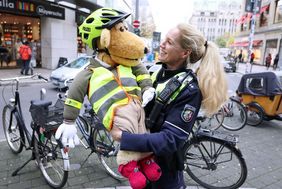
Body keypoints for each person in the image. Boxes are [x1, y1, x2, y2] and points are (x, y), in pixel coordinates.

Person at [110, 23, 228, 188]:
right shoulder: (155, 71)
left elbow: (171, 139)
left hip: (164, 173)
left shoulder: (190, 89)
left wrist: (125, 137)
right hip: (141, 164)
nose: (162, 44)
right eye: (164, 40)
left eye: (169, 42)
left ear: (184, 53)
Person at [55, 8, 161, 189]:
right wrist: (69, 121)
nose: (127, 36)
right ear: (104, 39)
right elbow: (75, 93)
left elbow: (142, 72)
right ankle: (128, 165)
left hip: (137, 107)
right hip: (116, 115)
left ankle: (147, 159)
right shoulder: (89, 72)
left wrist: (147, 87)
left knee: (144, 131)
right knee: (128, 134)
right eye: (121, 31)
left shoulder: (128, 62)